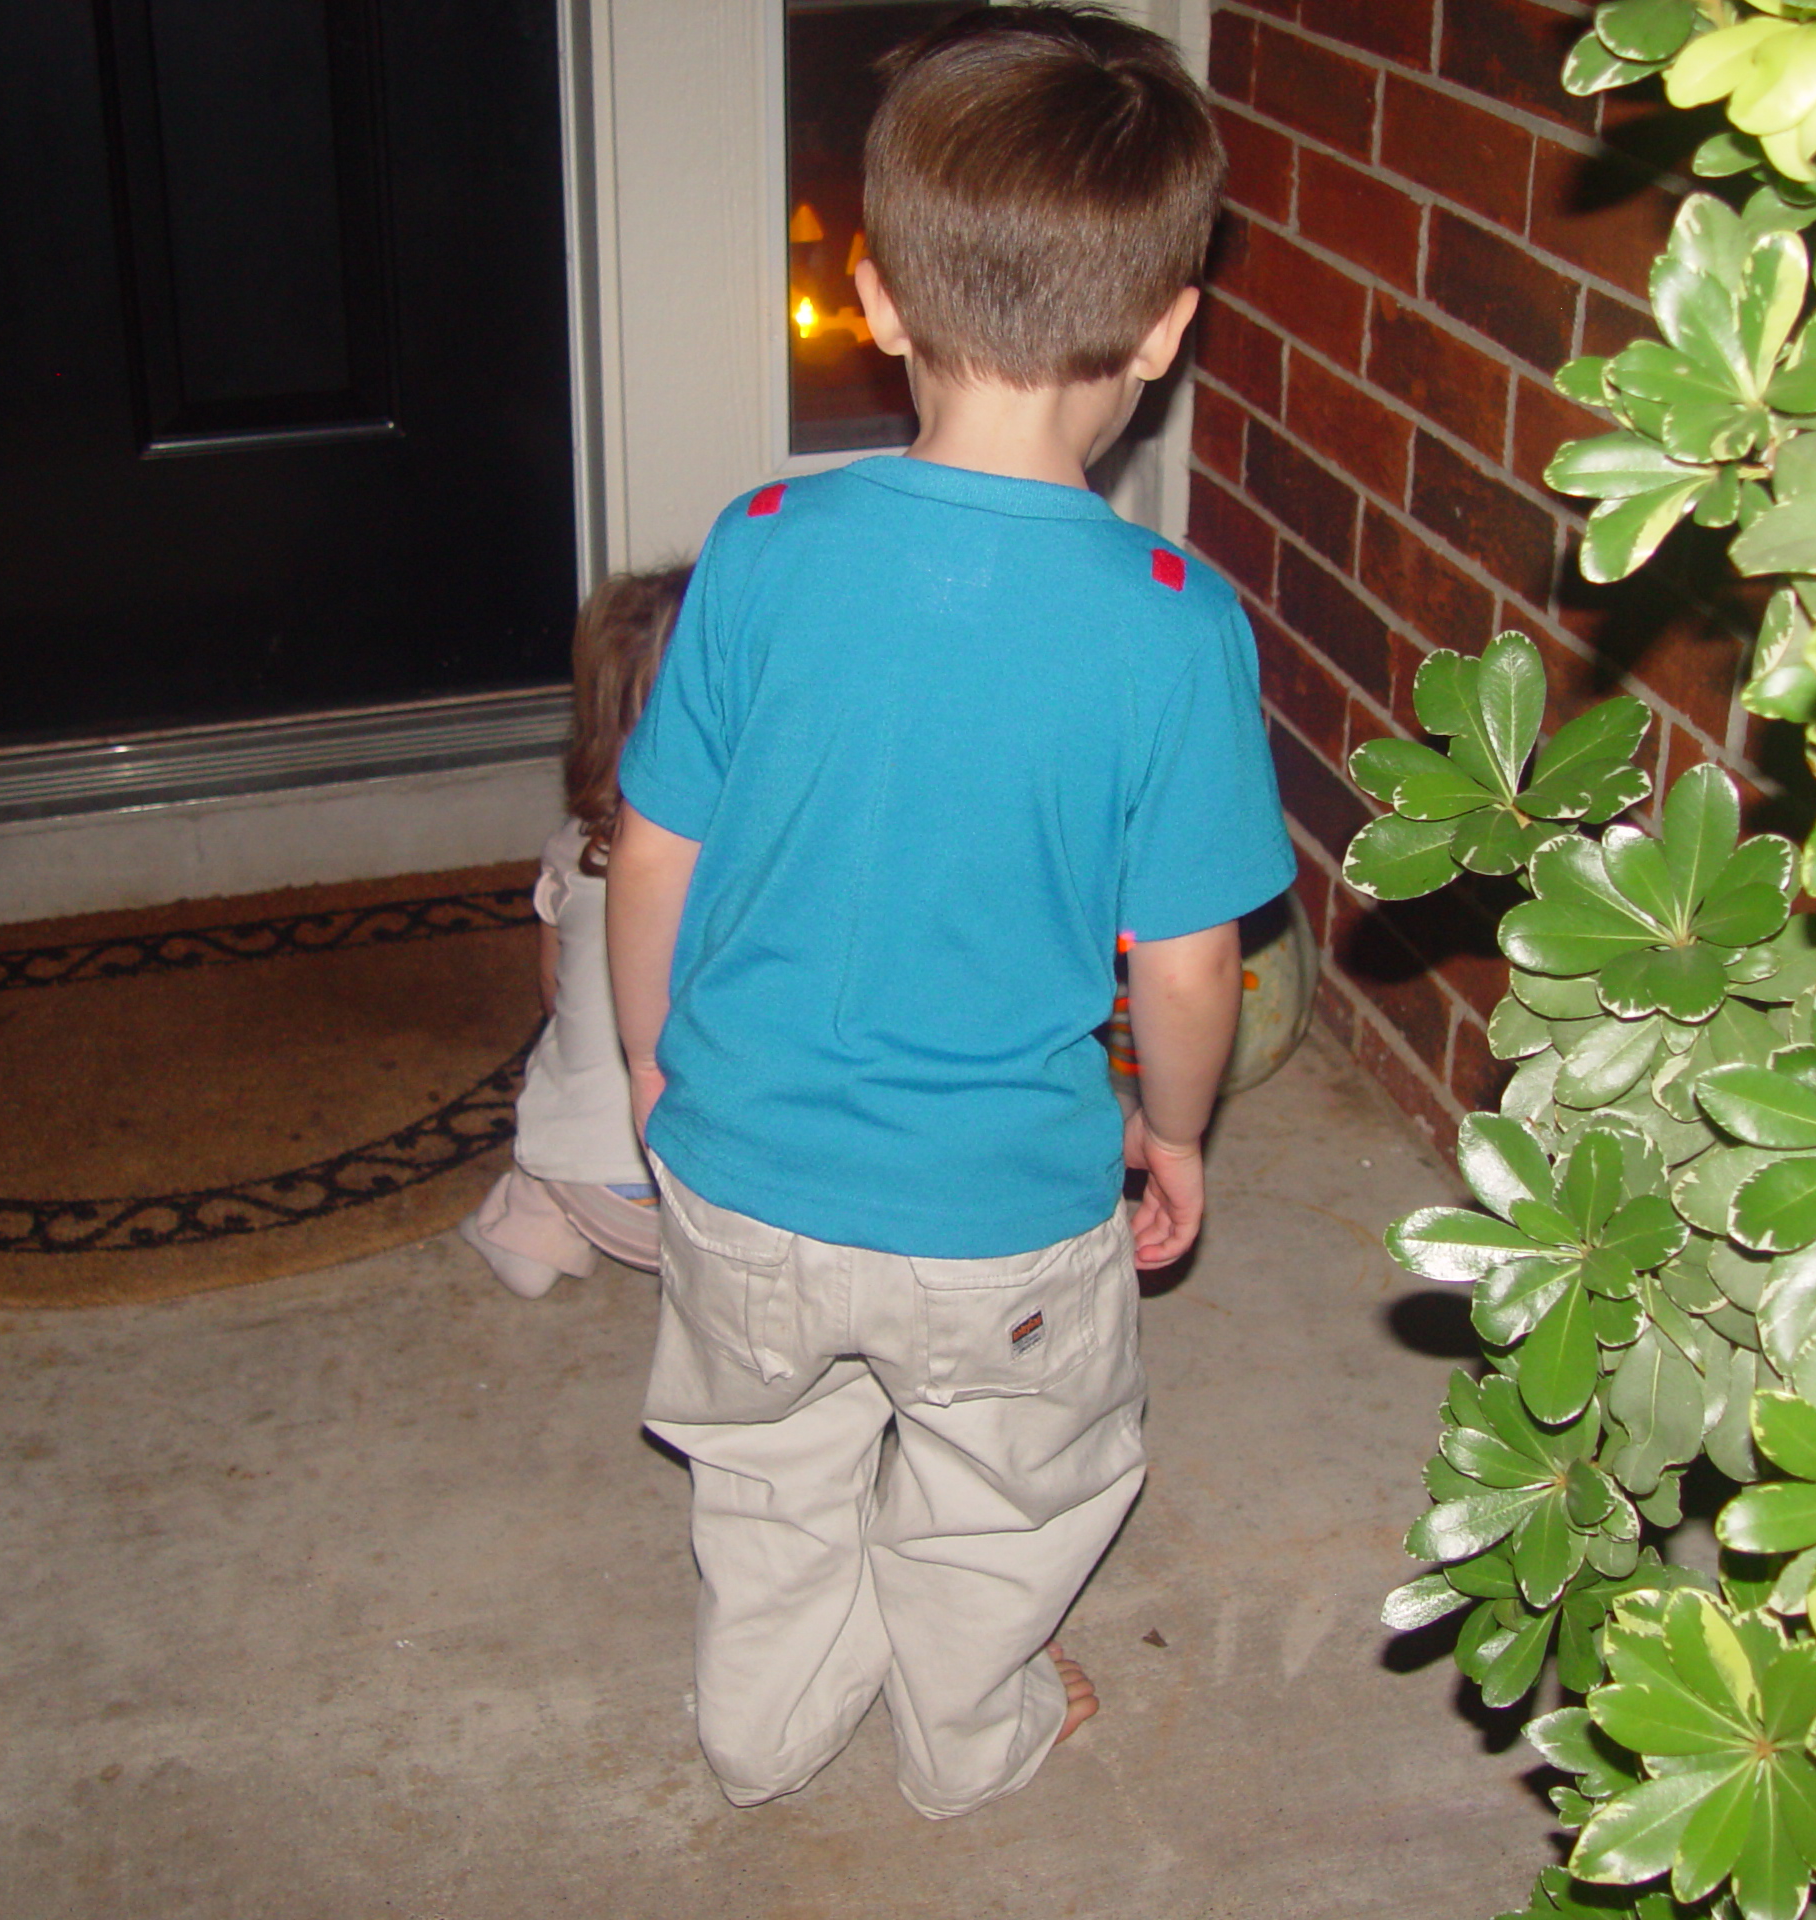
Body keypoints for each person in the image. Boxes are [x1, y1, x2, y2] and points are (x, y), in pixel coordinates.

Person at [607, 5, 1294, 1819]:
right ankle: (965, 1731)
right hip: (999, 1214)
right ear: (1166, 327)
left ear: (877, 298)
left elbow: (652, 846)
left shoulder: (756, 541)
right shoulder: (1173, 621)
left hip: (742, 1170)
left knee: (763, 1464)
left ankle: (762, 1719)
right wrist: (1176, 1133)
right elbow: (1190, 958)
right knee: (1015, 1483)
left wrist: (648, 1061)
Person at [456, 565, 690, 1300]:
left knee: (572, 1033)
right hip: (724, 1207)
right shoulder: (771, 856)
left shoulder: (576, 847)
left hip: (598, 1195)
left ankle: (529, 1233)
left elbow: (553, 998)